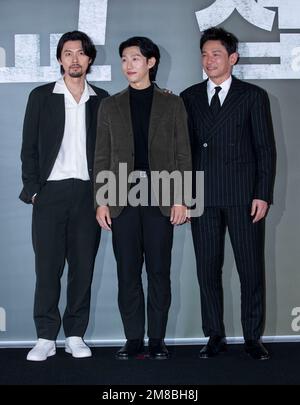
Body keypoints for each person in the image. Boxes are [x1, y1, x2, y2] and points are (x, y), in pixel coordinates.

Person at [181, 27, 276, 360]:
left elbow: (265, 149)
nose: (209, 60)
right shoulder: (189, 97)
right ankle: (215, 335)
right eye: (205, 54)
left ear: (232, 58)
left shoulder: (252, 96)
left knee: (250, 268)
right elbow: (182, 151)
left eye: (216, 54)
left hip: (242, 196)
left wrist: (262, 193)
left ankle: (252, 336)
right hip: (202, 196)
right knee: (207, 269)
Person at [94, 36, 192, 360]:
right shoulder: (110, 105)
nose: (128, 65)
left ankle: (157, 339)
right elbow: (102, 156)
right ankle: (133, 339)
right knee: (127, 273)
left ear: (150, 63)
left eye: (135, 58)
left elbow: (183, 154)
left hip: (161, 194)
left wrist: (183, 199)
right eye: (124, 59)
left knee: (160, 272)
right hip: (122, 196)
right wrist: (101, 200)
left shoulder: (172, 103)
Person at [20, 31, 109, 361]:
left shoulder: (102, 100)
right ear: (60, 59)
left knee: (82, 268)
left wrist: (105, 196)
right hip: (50, 194)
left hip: (88, 194)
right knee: (47, 268)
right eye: (68, 53)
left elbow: (110, 153)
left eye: (81, 53)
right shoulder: (42, 96)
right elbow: (28, 147)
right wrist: (33, 192)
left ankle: (74, 334)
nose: (74, 58)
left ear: (89, 60)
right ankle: (45, 336)